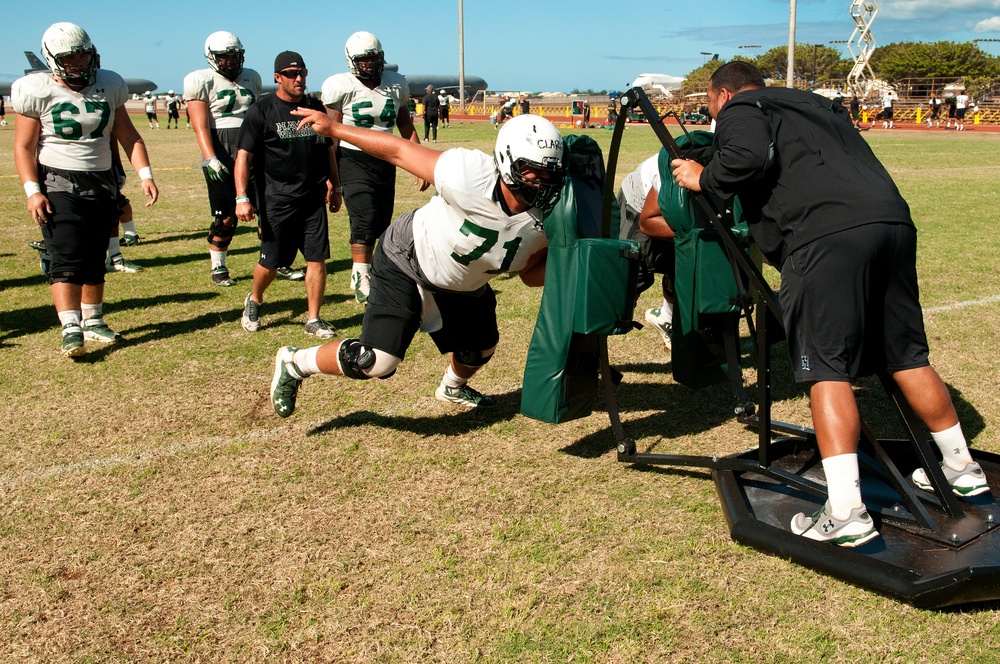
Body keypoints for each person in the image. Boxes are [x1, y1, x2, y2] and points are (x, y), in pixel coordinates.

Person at [670, 61, 990, 547]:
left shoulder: (742, 105)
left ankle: (846, 512)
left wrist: (703, 176)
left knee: (825, 367)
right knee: (904, 353)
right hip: (892, 224)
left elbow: (746, 155)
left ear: (720, 95)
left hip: (824, 237)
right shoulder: (815, 104)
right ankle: (962, 466)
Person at [269, 112, 567, 418]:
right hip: (408, 258)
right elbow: (398, 150)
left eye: (551, 174)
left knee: (481, 348)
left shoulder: (554, 215)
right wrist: (334, 128)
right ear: (506, 162)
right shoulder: (469, 174)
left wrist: (570, 261)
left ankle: (452, 387)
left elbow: (529, 275)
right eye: (533, 171)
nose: (542, 183)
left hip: (462, 281)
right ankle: (295, 362)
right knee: (375, 361)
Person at [12, 22, 158, 357]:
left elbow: (129, 136)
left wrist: (145, 174)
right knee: (66, 255)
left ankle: (93, 321)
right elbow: (23, 146)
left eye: (83, 53)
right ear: (53, 58)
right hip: (57, 179)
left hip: (102, 179)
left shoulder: (109, 83)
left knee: (96, 255)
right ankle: (71, 327)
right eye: (70, 56)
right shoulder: (36, 89)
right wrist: (32, 190)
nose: (78, 62)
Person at [234, 51, 341, 338]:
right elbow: (244, 157)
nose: (299, 78)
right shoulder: (262, 110)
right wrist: (241, 197)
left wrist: (336, 185)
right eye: (292, 74)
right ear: (277, 77)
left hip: (313, 199)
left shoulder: (315, 106)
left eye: (302, 73)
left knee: (316, 260)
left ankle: (313, 318)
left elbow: (328, 148)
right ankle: (255, 299)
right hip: (277, 200)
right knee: (271, 263)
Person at [321, 31, 422, 306]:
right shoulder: (340, 85)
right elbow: (331, 134)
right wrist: (331, 175)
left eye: (373, 58)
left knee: (381, 221)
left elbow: (405, 125)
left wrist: (419, 162)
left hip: (386, 157)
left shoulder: (396, 83)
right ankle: (359, 275)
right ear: (352, 60)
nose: (368, 64)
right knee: (364, 218)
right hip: (353, 157)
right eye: (363, 59)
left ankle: (372, 272)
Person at [184, 31, 263, 287]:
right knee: (226, 215)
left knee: (267, 209)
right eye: (224, 56)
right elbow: (201, 126)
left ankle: (274, 259)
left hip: (253, 145)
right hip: (221, 146)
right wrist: (210, 157)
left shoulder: (251, 76)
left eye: (234, 55)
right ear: (211, 57)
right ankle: (218, 264)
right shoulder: (200, 80)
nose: (230, 61)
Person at [617, 154, 673, 348]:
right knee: (627, 280)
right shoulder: (676, 168)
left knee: (685, 263)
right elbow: (647, 222)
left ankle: (668, 319)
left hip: (677, 203)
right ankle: (588, 347)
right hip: (640, 205)